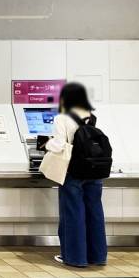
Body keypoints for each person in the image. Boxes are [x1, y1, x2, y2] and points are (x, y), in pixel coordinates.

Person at [47, 82, 107, 267]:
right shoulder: (91, 116)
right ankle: (97, 257)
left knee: (73, 213)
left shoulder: (62, 118)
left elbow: (58, 145)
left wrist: (45, 144)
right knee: (95, 212)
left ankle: (74, 257)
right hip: (94, 170)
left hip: (73, 171)